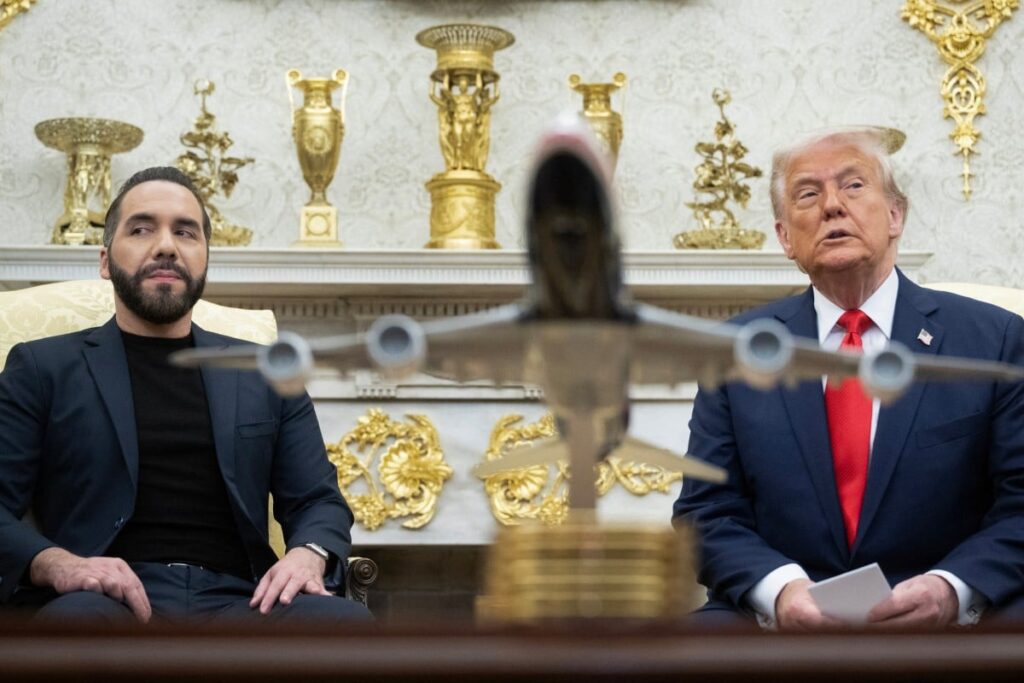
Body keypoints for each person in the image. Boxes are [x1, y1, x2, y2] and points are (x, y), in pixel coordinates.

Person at [673, 128, 1024, 630]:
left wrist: (950, 588)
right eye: (808, 194)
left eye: (854, 186)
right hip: (785, 617)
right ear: (785, 238)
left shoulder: (995, 340)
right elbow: (704, 514)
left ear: (896, 215)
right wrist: (781, 592)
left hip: (950, 617)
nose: (832, 206)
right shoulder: (737, 350)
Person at [0, 167, 370, 624]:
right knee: (73, 625)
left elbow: (318, 500)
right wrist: (59, 563)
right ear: (104, 260)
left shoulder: (266, 370)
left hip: (245, 603)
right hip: (104, 601)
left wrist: (308, 554)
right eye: (141, 229)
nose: (166, 246)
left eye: (185, 232)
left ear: (204, 260)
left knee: (343, 625)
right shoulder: (42, 368)